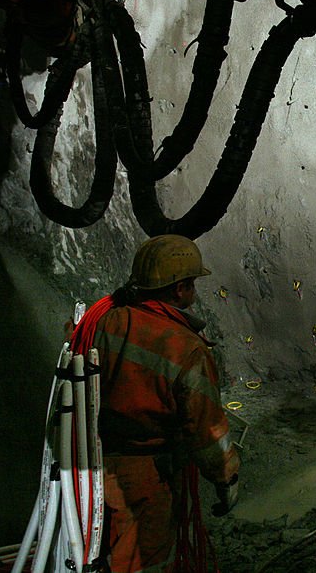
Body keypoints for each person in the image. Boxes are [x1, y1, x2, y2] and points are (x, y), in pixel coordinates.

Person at [70, 234, 239, 573]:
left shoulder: (104, 321)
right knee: (145, 560)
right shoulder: (187, 349)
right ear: (180, 289)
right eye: (191, 283)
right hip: (147, 475)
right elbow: (207, 429)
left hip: (90, 465)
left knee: (92, 554)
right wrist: (226, 478)